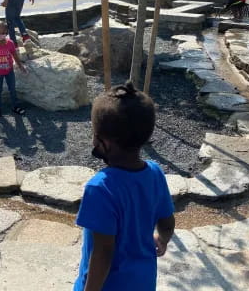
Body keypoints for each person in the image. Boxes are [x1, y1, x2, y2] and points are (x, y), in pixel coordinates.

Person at [74, 81, 176, 291]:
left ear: (106, 143)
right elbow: (167, 222)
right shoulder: (155, 173)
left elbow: (103, 252)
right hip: (143, 282)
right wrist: (162, 239)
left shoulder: (101, 188)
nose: (93, 141)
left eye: (95, 135)